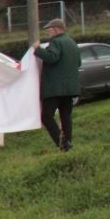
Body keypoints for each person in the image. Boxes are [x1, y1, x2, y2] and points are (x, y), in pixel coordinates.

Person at [33, 17, 79, 152]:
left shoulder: (55, 42)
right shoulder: (72, 42)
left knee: (46, 117)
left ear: (55, 30)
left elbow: (52, 57)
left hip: (54, 88)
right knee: (66, 116)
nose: (48, 34)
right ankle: (68, 143)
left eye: (49, 31)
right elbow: (79, 62)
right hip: (70, 88)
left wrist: (37, 49)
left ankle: (63, 144)